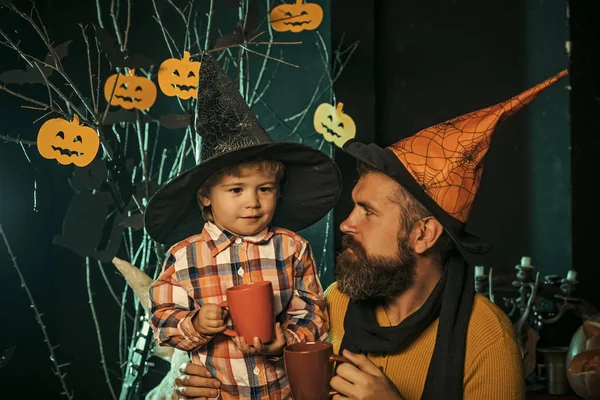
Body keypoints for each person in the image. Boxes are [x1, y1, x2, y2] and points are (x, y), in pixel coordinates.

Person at [172, 69, 568, 400]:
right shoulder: (334, 303)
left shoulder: (485, 341)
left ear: (423, 234)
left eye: (368, 211)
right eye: (353, 205)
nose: (346, 223)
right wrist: (217, 384)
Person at [143, 53, 341, 400]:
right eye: (236, 190)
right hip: (217, 394)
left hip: (280, 392)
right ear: (205, 195)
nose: (253, 202)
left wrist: (287, 340)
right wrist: (196, 325)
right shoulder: (185, 256)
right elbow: (161, 320)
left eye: (264, 189)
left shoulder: (292, 248)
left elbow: (312, 312)